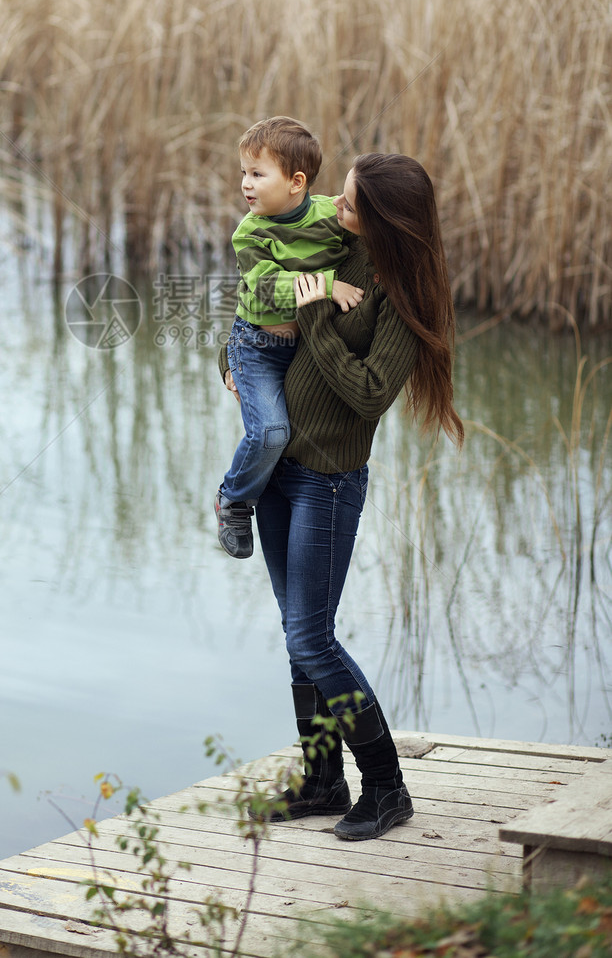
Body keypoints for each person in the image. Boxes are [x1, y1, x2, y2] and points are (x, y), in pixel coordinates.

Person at [220, 152, 464, 841]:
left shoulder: (405, 295)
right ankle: (322, 781)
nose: (336, 208)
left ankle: (386, 787)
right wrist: (230, 362)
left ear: (385, 220)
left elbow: (366, 391)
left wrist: (317, 313)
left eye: (352, 204)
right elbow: (259, 309)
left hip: (327, 479)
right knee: (299, 640)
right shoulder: (336, 245)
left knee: (312, 637)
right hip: (275, 474)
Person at [215, 117, 365, 561]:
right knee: (273, 433)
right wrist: (327, 285)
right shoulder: (252, 232)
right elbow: (262, 289)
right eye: (244, 172)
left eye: (258, 174)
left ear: (297, 182)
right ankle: (233, 499)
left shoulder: (327, 215)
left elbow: (359, 240)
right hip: (258, 348)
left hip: (304, 348)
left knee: (296, 438)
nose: (246, 184)